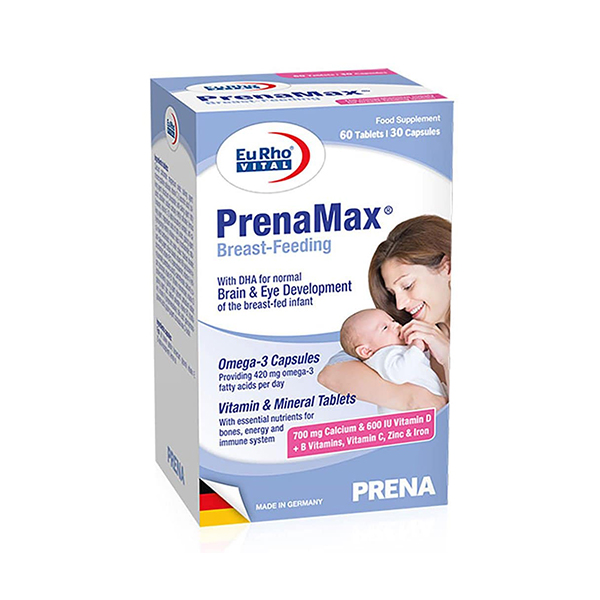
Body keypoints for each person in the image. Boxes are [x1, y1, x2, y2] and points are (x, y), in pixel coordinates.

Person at [317, 215, 451, 412]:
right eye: (392, 293)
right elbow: (330, 373)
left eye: (407, 285)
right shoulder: (405, 334)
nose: (399, 304)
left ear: (448, 268)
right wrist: (409, 398)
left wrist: (448, 357)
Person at [339, 308, 446, 407]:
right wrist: (417, 348)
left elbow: (418, 366)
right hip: (414, 414)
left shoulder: (396, 350)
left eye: (393, 321)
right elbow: (400, 373)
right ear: (366, 351)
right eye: (385, 328)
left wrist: (423, 350)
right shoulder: (381, 357)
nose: (396, 325)